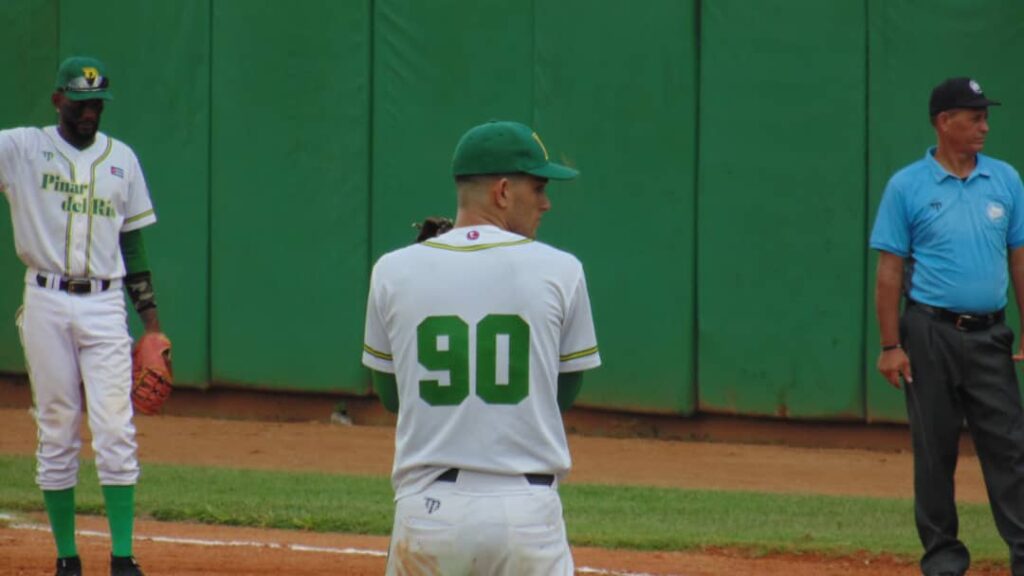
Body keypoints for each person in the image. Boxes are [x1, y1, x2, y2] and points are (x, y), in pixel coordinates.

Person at [361, 120, 601, 575]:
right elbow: (564, 393)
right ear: (504, 191)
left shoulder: (392, 270)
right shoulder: (561, 270)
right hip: (525, 515)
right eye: (539, 187)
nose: (546, 203)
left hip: (426, 512)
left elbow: (392, 396)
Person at [0, 56, 165, 576]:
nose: (90, 111)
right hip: (46, 298)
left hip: (104, 303)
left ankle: (122, 557)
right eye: (80, 102)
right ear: (57, 100)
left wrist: (153, 325)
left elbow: (132, 246)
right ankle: (67, 558)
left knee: (116, 429)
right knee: (57, 430)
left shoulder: (122, 159)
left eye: (97, 104)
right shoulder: (22, 148)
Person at [871, 77, 1024, 576]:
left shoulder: (1005, 180)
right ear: (944, 121)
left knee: (1010, 449)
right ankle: (943, 560)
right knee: (934, 452)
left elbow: (1019, 261)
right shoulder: (907, 186)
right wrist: (891, 344)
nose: (984, 125)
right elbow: (890, 271)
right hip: (929, 334)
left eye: (985, 116)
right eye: (974, 116)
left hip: (989, 336)